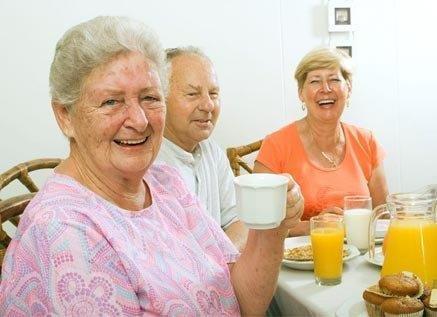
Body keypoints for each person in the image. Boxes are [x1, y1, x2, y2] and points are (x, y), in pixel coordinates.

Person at [0, 16, 303, 315]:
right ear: (65, 116)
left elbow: (243, 302)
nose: (140, 120)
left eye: (149, 98)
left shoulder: (165, 183)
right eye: (111, 102)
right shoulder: (64, 230)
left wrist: (272, 230)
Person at [254, 47, 388, 236]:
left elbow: (382, 216)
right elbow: (259, 225)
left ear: (348, 89)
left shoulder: (367, 142)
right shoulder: (275, 146)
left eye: (334, 80)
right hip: (296, 260)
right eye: (315, 81)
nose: (325, 89)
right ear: (301, 93)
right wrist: (316, 226)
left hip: (359, 255)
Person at [156, 46, 247, 251]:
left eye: (213, 94)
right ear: (159, 98)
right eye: (192, 94)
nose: (208, 105)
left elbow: (238, 221)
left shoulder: (211, 151)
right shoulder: (145, 161)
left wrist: (217, 265)